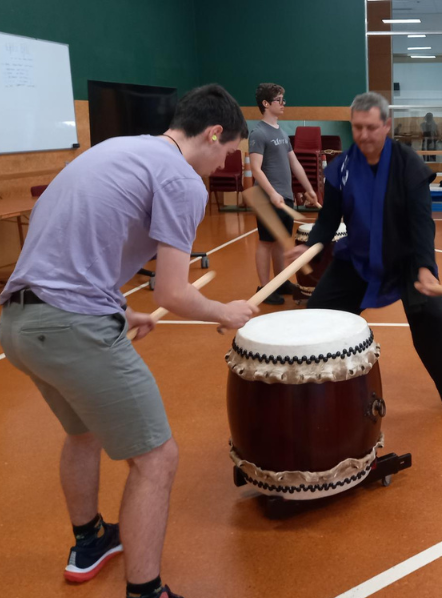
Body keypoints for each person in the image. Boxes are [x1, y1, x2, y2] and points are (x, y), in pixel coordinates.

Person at [0, 84, 259, 598]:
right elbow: (174, 291)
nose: (225, 164)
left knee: (84, 434)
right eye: (228, 152)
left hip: (19, 323)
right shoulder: (182, 179)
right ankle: (146, 591)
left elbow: (72, 245)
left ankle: (91, 540)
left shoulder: (116, 149)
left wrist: (119, 309)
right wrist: (224, 311)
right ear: (212, 134)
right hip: (73, 326)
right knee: (156, 458)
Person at [285, 92, 442, 420]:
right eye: (357, 127)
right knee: (316, 315)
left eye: (371, 127)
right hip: (357, 260)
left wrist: (425, 268)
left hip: (406, 262)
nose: (363, 135)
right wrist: (309, 246)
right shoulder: (341, 167)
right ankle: (312, 388)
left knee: (432, 321)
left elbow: (421, 223)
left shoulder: (408, 165)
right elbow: (329, 219)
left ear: (386, 126)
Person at [249, 83, 320, 305]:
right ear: (266, 104)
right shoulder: (258, 133)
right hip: (269, 198)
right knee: (266, 242)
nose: (283, 104)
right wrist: (271, 193)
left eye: (283, 99)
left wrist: (309, 189)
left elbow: (294, 163)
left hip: (285, 196)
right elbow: (256, 169)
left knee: (281, 242)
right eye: (279, 100)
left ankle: (280, 282)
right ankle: (264, 288)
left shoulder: (280, 132)